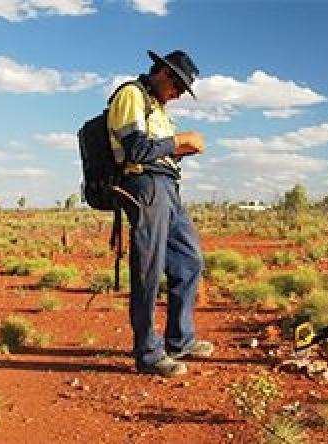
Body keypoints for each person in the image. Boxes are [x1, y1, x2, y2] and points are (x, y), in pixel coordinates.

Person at [107, 49, 212, 377]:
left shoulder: (159, 108)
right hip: (144, 184)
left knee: (189, 259)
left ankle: (179, 339)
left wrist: (179, 150)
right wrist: (179, 139)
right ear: (164, 73)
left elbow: (158, 149)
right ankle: (148, 353)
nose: (179, 94)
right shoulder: (131, 96)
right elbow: (136, 149)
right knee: (148, 270)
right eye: (178, 85)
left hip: (167, 187)